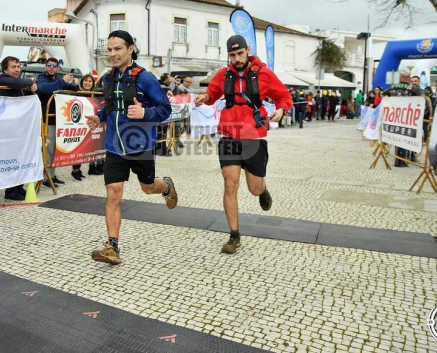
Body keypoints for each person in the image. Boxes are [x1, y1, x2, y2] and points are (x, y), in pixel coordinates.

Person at [86, 30, 177, 265]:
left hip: (140, 145)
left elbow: (165, 109)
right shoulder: (107, 78)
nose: (113, 54)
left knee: (148, 188)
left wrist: (145, 112)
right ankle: (112, 246)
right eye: (110, 49)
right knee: (113, 193)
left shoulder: (146, 78)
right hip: (114, 146)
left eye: (118, 49)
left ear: (130, 49)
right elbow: (110, 105)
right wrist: (99, 116)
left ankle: (166, 186)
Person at [194, 35, 292, 254]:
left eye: (240, 54)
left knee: (254, 188)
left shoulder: (264, 74)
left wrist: (281, 110)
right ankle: (234, 235)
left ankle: (263, 190)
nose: (237, 59)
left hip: (254, 136)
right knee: (230, 184)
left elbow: (284, 97)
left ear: (248, 50)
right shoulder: (224, 74)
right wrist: (205, 97)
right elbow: (213, 92)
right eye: (232, 55)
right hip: (229, 134)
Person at [0, 56, 38, 200]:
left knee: (20, 157)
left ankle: (18, 187)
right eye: (13, 67)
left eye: (18, 66)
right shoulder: (3, 79)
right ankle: (10, 191)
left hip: (19, 127)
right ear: (5, 69)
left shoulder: (18, 84)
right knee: (12, 158)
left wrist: (32, 88)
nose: (17, 69)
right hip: (8, 127)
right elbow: (19, 82)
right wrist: (31, 82)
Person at [37, 57, 78, 188]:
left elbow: (72, 90)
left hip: (58, 119)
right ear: (45, 67)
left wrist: (75, 85)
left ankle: (52, 175)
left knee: (54, 149)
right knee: (48, 149)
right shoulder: (42, 77)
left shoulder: (57, 79)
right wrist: (63, 81)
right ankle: (45, 177)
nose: (51, 68)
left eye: (54, 66)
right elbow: (44, 88)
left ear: (57, 68)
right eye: (49, 65)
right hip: (47, 120)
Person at [72, 74, 105, 179]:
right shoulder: (78, 93)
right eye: (85, 81)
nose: (87, 83)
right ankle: (75, 169)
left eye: (90, 81)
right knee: (80, 146)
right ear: (82, 82)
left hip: (93, 123)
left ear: (93, 84)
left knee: (94, 144)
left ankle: (93, 166)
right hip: (80, 124)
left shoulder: (95, 94)